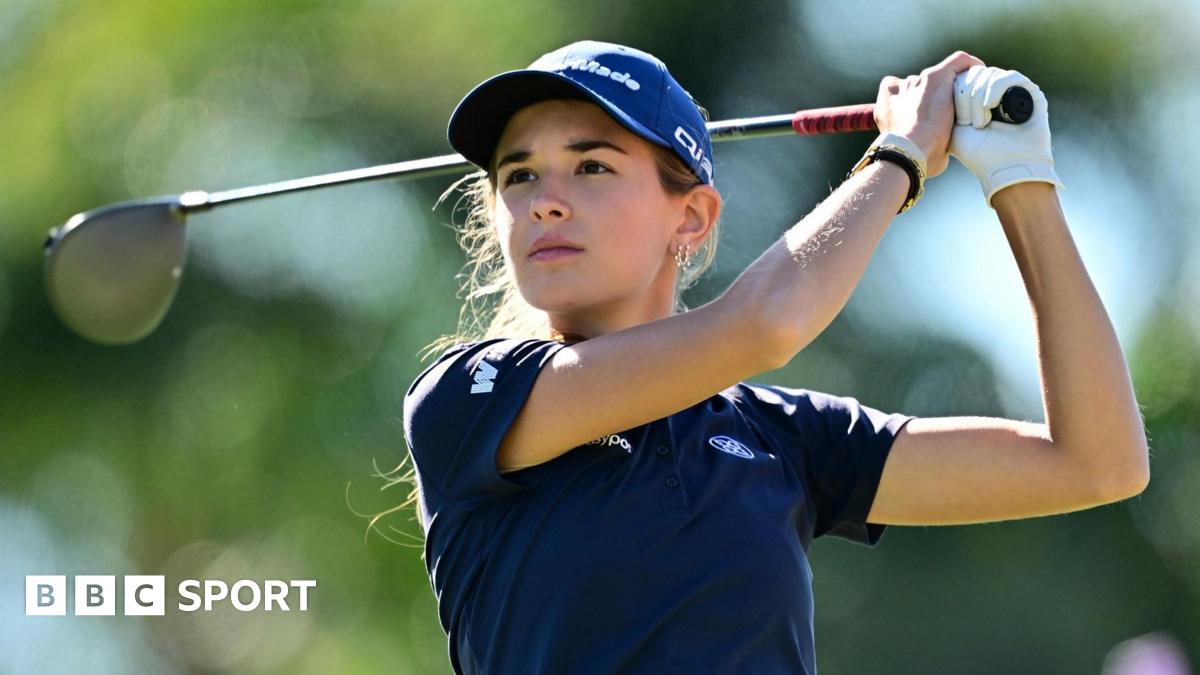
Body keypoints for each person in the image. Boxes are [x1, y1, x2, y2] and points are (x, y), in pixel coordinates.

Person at [397, 40, 1150, 674]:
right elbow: (766, 323)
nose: (543, 201)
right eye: (518, 174)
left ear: (690, 216)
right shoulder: (470, 399)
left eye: (591, 166)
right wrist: (899, 157)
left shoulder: (782, 439)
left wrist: (1021, 179)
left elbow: (1097, 461)